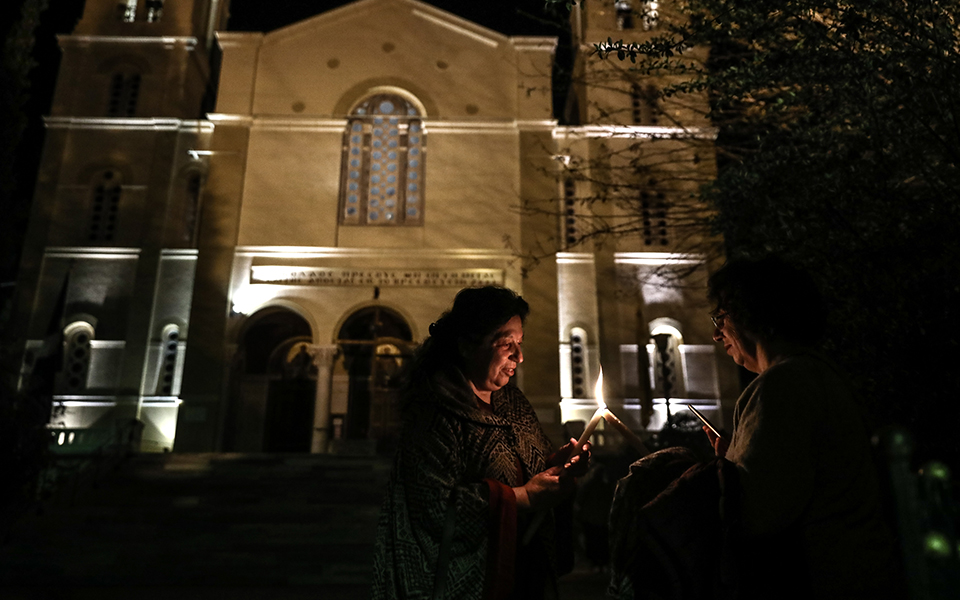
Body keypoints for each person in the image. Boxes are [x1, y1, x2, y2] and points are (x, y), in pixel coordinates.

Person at [371, 286, 590, 600]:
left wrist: (560, 465)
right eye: (506, 344)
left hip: (527, 576)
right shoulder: (435, 412)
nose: (519, 356)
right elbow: (433, 508)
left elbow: (531, 467)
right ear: (466, 345)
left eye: (520, 343)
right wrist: (521, 498)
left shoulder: (514, 404)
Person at [706, 256, 899, 599]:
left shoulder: (782, 385)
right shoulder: (821, 375)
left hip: (822, 579)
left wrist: (720, 476)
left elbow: (758, 511)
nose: (717, 334)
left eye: (721, 318)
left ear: (749, 314)